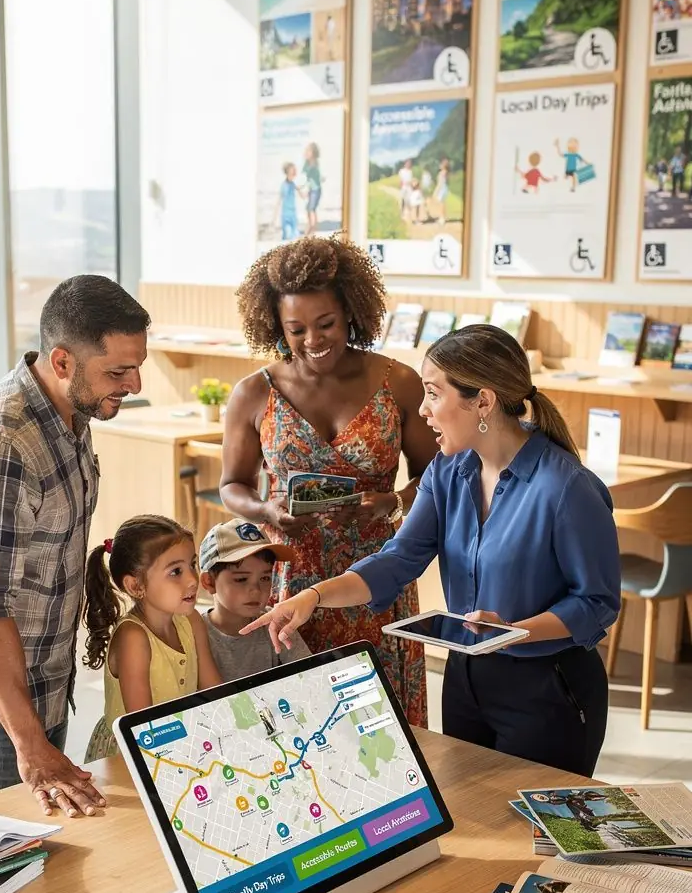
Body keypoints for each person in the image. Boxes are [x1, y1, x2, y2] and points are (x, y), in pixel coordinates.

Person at [242, 323, 620, 777]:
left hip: (549, 691)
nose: (422, 410)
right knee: (468, 814)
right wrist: (312, 597)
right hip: (465, 680)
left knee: (526, 822)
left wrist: (514, 631)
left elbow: (596, 602)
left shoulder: (568, 488)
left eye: (434, 394)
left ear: (483, 401)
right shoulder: (447, 472)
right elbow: (397, 559)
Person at [0, 276, 149, 817]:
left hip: (39, 682)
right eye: (118, 372)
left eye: (137, 366)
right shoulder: (1, 444)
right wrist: (31, 743)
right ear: (62, 361)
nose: (134, 384)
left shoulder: (73, 411)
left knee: (46, 847)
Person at [220, 235, 436, 728]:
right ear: (275, 325)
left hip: (377, 575)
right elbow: (232, 485)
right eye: (296, 329)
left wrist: (392, 501)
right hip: (292, 576)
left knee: (383, 725)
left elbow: (435, 476)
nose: (313, 341)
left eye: (326, 324)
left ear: (351, 313)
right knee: (301, 721)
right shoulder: (253, 393)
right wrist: (266, 511)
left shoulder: (399, 383)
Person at [83, 515, 221, 760]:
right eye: (176, 571)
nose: (192, 579)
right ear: (136, 586)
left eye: (192, 564)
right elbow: (143, 727)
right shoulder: (133, 638)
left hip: (178, 742)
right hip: (134, 752)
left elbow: (216, 692)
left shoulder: (191, 621)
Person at [198, 518, 311, 680]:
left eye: (264, 578)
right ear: (209, 582)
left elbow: (310, 676)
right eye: (241, 579)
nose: (256, 590)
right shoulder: (194, 633)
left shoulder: (276, 623)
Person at [302, 142, 322, 235]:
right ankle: (311, 225)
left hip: (315, 190)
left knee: (311, 209)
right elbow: (304, 176)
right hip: (311, 189)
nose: (306, 152)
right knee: (309, 209)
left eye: (308, 151)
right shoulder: (307, 163)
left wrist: (305, 188)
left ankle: (312, 228)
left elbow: (313, 178)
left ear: (313, 153)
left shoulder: (314, 164)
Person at [277, 162, 301, 241]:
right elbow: (279, 199)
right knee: (287, 235)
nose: (294, 172)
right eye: (293, 170)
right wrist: (274, 217)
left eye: (294, 170)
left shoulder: (293, 184)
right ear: (288, 172)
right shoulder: (284, 185)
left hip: (293, 213)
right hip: (286, 214)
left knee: (295, 234)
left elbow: (301, 192)